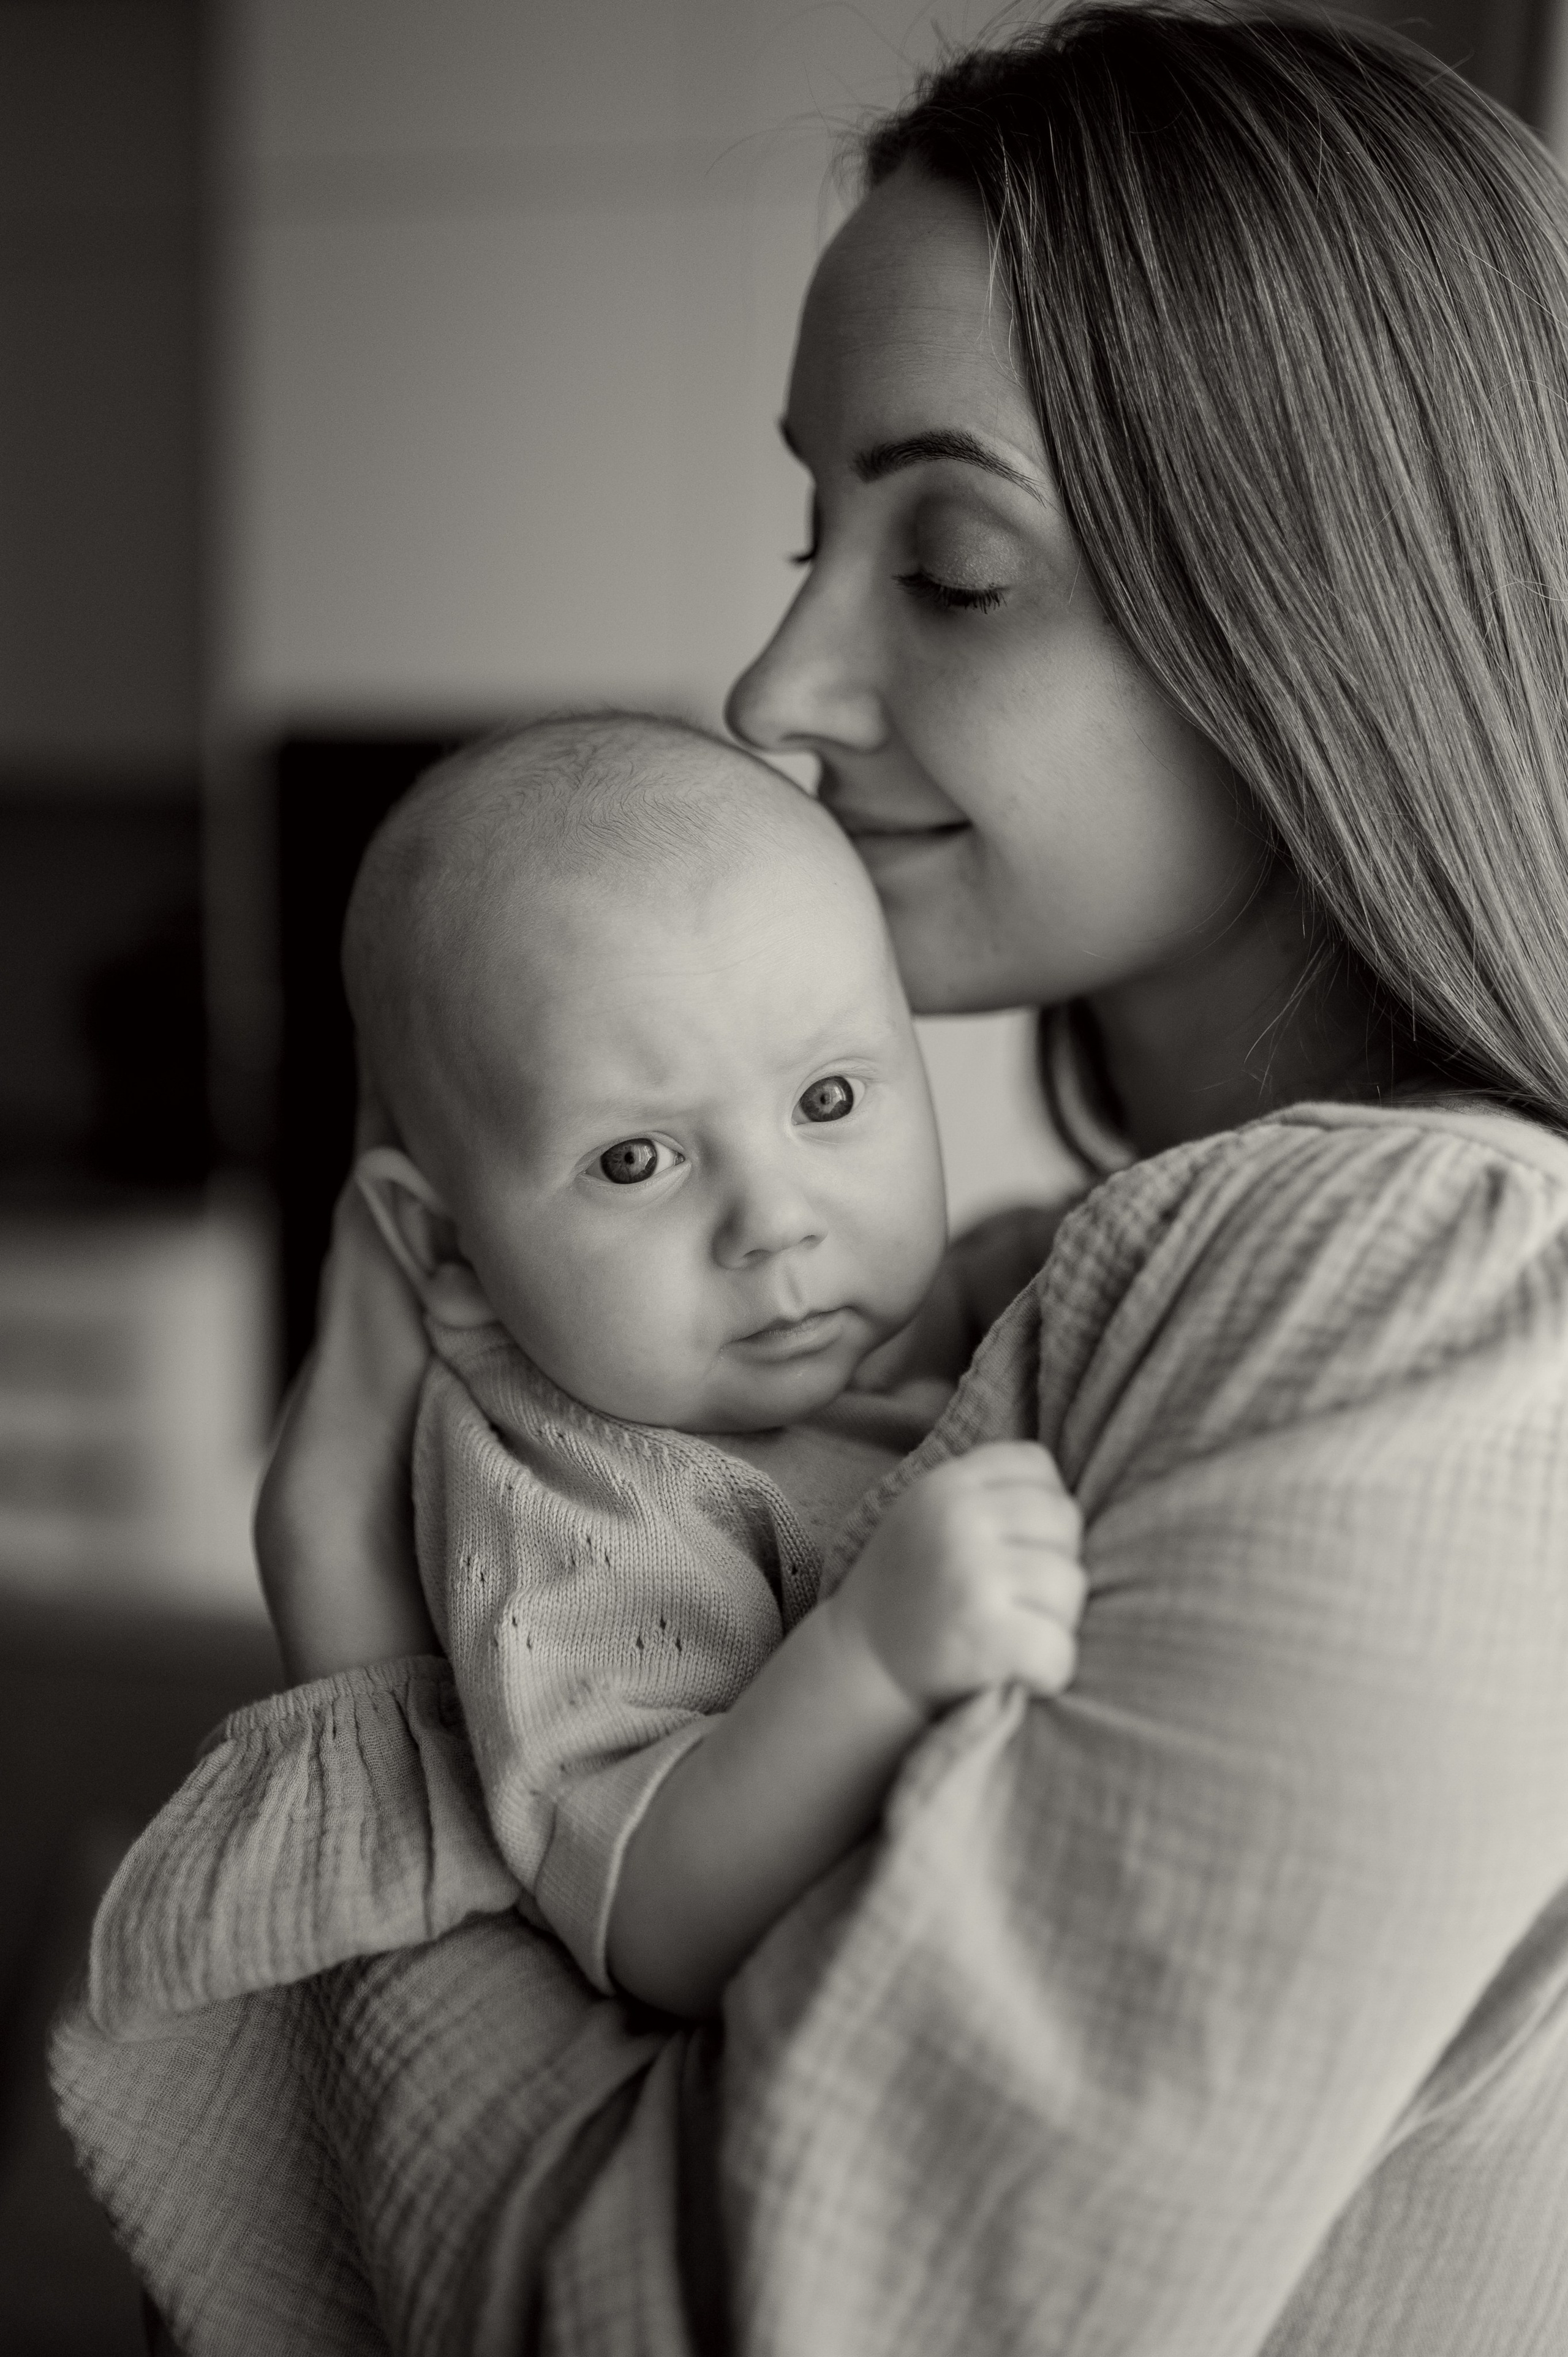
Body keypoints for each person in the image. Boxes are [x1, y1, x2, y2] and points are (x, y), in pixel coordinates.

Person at [53, 7, 1568, 2352]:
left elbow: (720, 2314)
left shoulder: (1423, 1283)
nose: (770, 689)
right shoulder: (1045, 1284)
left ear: (1317, 627)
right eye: (808, 528)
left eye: (950, 568)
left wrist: (367, 1681)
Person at [341, 711, 1082, 2014]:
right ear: (449, 1248)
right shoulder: (573, 1489)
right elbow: (647, 1917)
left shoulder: (959, 1295)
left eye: (830, 1101)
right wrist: (870, 1660)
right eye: (637, 1159)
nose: (773, 1218)